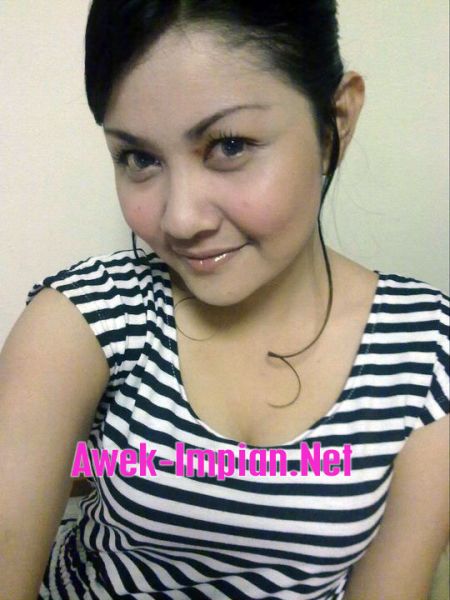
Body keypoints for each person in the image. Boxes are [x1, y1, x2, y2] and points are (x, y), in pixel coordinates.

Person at [0, 1, 448, 599]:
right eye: (139, 158)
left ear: (335, 122)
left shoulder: (424, 351)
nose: (180, 220)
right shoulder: (87, 314)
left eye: (230, 145)